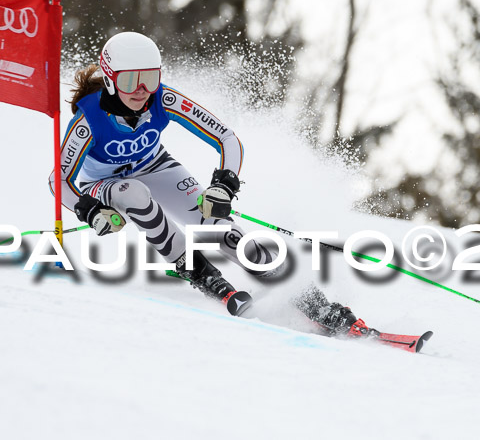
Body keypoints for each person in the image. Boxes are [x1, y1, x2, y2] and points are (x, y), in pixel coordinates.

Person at [49, 31, 367, 331]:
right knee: (134, 192)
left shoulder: (163, 99)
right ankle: (200, 273)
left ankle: (314, 303)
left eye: (150, 78)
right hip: (104, 183)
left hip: (155, 165)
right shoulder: (88, 122)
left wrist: (223, 185)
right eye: (131, 80)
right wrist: (89, 210)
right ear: (109, 78)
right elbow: (57, 179)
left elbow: (226, 138)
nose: (142, 90)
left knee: (217, 225)